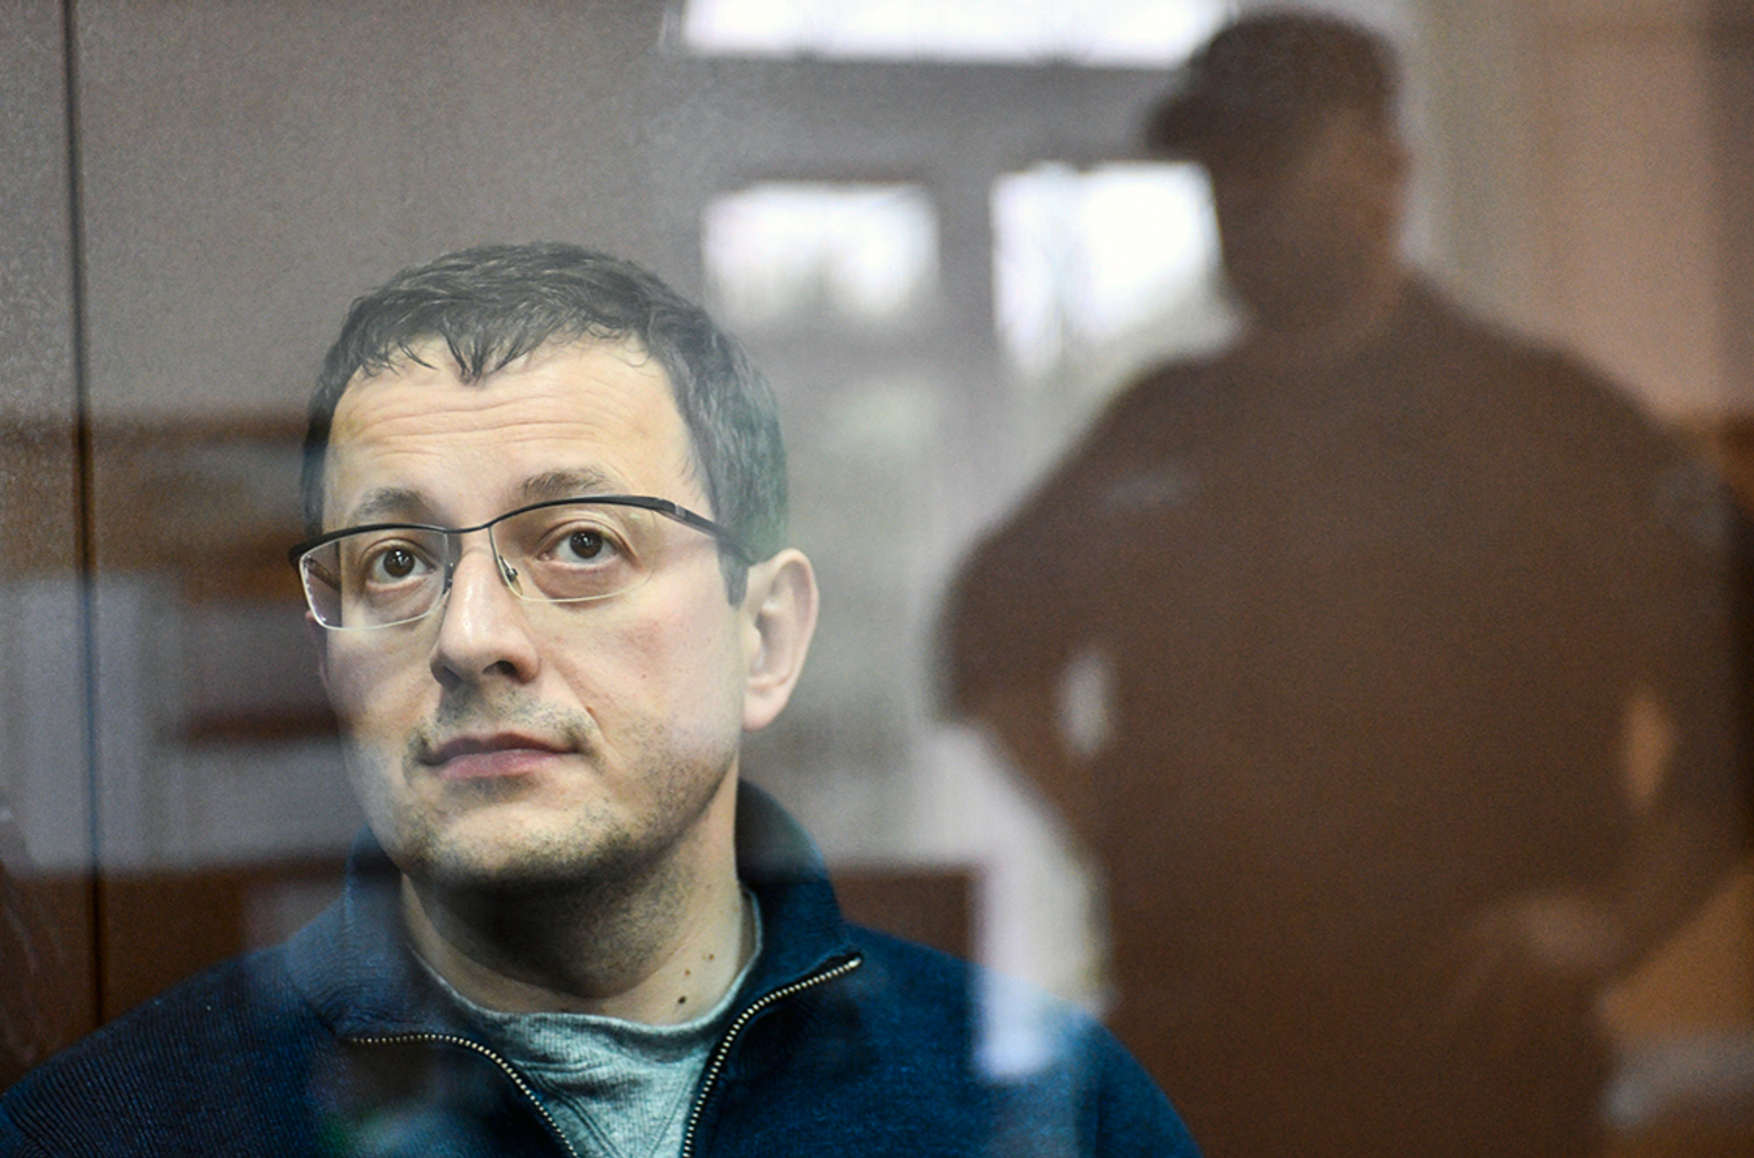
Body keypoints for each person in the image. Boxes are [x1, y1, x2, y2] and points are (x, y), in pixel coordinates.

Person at [0, 243, 1200, 1156]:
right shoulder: (106, 1134)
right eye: (395, 562)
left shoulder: (1051, 1115)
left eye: (580, 543)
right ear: (329, 655)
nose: (470, 638)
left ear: (763, 638)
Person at [944, 12, 1748, 1158]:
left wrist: (1620, 926)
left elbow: (1735, 665)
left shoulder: (1537, 424)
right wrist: (1110, 836)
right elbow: (987, 635)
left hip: (1461, 1083)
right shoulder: (1161, 428)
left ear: (1383, 166)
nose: (1236, 194)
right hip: (1196, 1072)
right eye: (1216, 162)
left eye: (1270, 154)